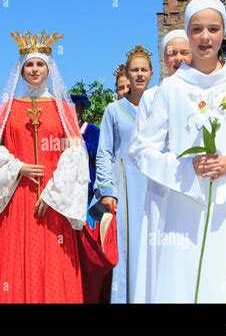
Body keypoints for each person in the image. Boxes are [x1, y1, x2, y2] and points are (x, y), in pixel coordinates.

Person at [129, 0, 226, 303]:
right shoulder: (171, 89)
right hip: (185, 207)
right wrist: (186, 168)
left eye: (213, 28)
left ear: (224, 31)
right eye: (197, 29)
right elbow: (142, 149)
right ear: (187, 32)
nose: (205, 37)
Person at [0, 30, 89, 303]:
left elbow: (76, 155)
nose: (34, 70)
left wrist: (53, 192)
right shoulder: (8, 108)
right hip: (16, 200)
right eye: (29, 65)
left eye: (40, 64)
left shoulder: (63, 109)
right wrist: (17, 166)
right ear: (21, 70)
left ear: (49, 68)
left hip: (54, 200)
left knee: (51, 258)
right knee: (16, 259)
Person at [129, 29, 192, 303]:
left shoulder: (203, 92)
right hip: (162, 188)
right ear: (165, 59)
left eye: (183, 52)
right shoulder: (152, 97)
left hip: (196, 188)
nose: (178, 58)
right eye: (172, 53)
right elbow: (138, 149)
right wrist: (172, 165)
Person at [90, 45, 153, 303]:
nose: (139, 74)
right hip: (125, 187)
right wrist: (107, 190)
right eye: (134, 70)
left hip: (155, 184)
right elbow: (104, 151)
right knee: (128, 248)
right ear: (128, 73)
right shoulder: (114, 111)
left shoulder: (160, 104)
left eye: (144, 69)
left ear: (151, 73)